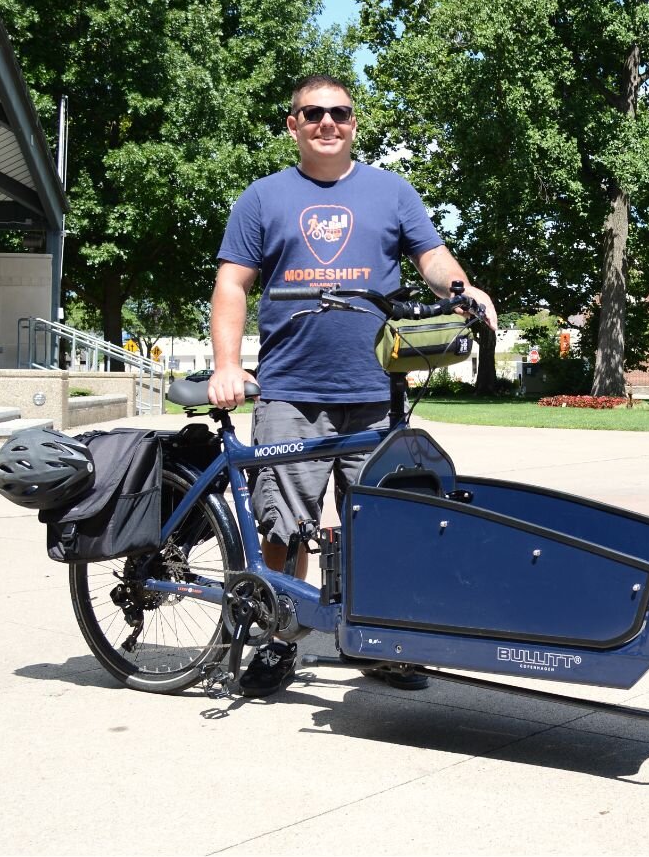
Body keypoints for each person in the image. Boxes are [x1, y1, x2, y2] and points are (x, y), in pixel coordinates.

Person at [207, 74, 496, 696]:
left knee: (386, 525)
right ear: (293, 125)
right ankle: (277, 641)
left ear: (355, 123)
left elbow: (432, 256)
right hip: (290, 389)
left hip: (374, 390)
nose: (327, 124)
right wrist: (228, 364)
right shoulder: (262, 198)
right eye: (312, 114)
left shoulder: (391, 192)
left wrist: (461, 290)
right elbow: (233, 283)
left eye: (339, 113)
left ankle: (384, 644)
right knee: (283, 527)